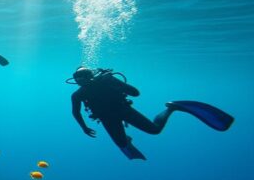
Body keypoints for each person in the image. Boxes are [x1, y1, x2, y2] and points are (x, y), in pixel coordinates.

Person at [69, 67, 234, 160]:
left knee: (154, 130)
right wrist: (83, 127)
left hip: (123, 110)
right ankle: (126, 139)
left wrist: (114, 84)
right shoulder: (78, 95)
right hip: (107, 118)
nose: (81, 80)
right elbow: (75, 112)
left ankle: (172, 107)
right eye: (78, 78)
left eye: (83, 76)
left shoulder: (107, 80)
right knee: (121, 144)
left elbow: (135, 93)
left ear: (91, 75)